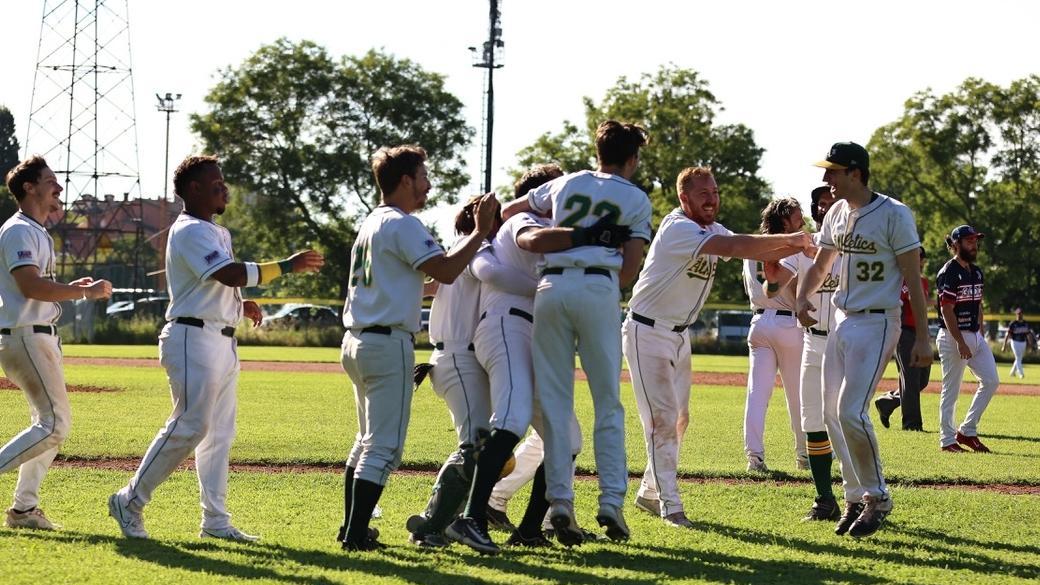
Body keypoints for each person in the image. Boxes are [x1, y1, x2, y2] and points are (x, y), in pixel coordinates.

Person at [108, 155, 324, 541]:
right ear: (194, 189)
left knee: (219, 434)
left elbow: (219, 284)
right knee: (190, 425)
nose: (224, 187)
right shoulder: (190, 229)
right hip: (193, 338)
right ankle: (130, 499)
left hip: (220, 340)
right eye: (216, 183)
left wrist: (240, 304)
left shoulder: (215, 231)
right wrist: (286, 266)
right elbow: (229, 273)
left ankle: (215, 522)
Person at [446, 163, 625, 553]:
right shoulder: (524, 220)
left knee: (567, 437)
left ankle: (528, 530)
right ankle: (470, 519)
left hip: (534, 332)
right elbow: (519, 251)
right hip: (508, 325)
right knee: (510, 419)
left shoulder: (549, 230)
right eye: (556, 192)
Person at [623, 167, 809, 528]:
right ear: (684, 198)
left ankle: (649, 490)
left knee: (678, 419)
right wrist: (798, 240)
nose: (712, 198)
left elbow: (746, 244)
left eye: (715, 192)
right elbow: (737, 246)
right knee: (661, 421)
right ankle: (670, 506)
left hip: (679, 335)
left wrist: (797, 243)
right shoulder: (678, 227)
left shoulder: (712, 228)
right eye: (703, 193)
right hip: (647, 332)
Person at [338, 145, 498, 551]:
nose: (428, 185)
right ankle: (356, 537)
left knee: (365, 440)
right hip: (386, 341)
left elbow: (423, 280)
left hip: (357, 339)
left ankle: (350, 528)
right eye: (423, 176)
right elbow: (444, 268)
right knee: (384, 446)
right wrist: (479, 231)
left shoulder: (373, 221)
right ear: (405, 180)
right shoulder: (404, 223)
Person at [501, 120, 651, 546]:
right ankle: (610, 502)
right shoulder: (635, 198)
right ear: (632, 158)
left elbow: (513, 210)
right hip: (598, 286)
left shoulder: (566, 183)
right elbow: (629, 268)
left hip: (551, 287)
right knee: (607, 401)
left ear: (598, 149)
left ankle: (561, 501)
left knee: (555, 401)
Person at [795, 141, 931, 539]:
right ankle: (855, 496)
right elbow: (821, 265)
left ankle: (878, 497)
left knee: (851, 410)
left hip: (877, 322)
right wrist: (804, 296)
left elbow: (913, 281)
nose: (826, 179)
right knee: (831, 413)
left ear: (855, 173)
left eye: (833, 171)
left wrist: (923, 336)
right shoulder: (836, 212)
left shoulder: (894, 214)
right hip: (841, 318)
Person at [0, 156, 113, 530]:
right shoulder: (18, 230)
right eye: (50, 180)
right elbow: (29, 286)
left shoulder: (36, 231)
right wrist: (82, 294)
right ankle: (23, 508)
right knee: (55, 425)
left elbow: (38, 288)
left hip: (37, 334)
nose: (59, 187)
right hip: (26, 334)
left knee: (47, 424)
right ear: (29, 187)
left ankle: (23, 510)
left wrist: (73, 289)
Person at [775, 185, 848, 522]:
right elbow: (775, 283)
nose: (826, 208)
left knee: (845, 421)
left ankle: (859, 496)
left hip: (845, 343)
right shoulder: (803, 246)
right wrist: (776, 275)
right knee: (812, 424)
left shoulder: (854, 246)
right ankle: (825, 499)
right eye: (821, 204)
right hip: (812, 341)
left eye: (833, 203)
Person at [741, 198, 809, 474]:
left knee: (757, 394)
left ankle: (754, 457)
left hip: (758, 321)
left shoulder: (750, 247)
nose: (802, 220)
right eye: (796, 216)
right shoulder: (791, 247)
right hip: (787, 324)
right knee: (798, 396)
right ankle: (805, 455)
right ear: (783, 220)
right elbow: (794, 290)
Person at [936, 225, 999, 453]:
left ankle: (967, 431)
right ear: (955, 245)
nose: (974, 244)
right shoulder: (948, 272)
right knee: (951, 390)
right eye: (969, 241)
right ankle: (947, 440)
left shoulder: (977, 271)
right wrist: (960, 342)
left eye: (975, 240)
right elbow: (946, 310)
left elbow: (978, 304)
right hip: (954, 336)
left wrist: (979, 334)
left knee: (991, 381)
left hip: (974, 335)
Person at [874, 248, 931, 431]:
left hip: (920, 333)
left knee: (922, 380)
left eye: (919, 257)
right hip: (904, 333)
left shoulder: (923, 282)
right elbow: (904, 301)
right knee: (911, 379)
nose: (916, 260)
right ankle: (912, 424)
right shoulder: (899, 279)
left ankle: (888, 401)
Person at [1002, 308, 1036, 379]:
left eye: (1020, 313)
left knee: (1019, 358)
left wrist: (1031, 344)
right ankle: (1021, 374)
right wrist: (1004, 345)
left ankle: (1012, 372)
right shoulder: (1013, 323)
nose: (1019, 315)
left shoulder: (1025, 324)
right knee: (1018, 357)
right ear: (1016, 314)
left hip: (1023, 342)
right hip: (1014, 342)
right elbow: (1007, 335)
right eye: (1018, 313)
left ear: (1022, 314)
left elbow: (1028, 335)